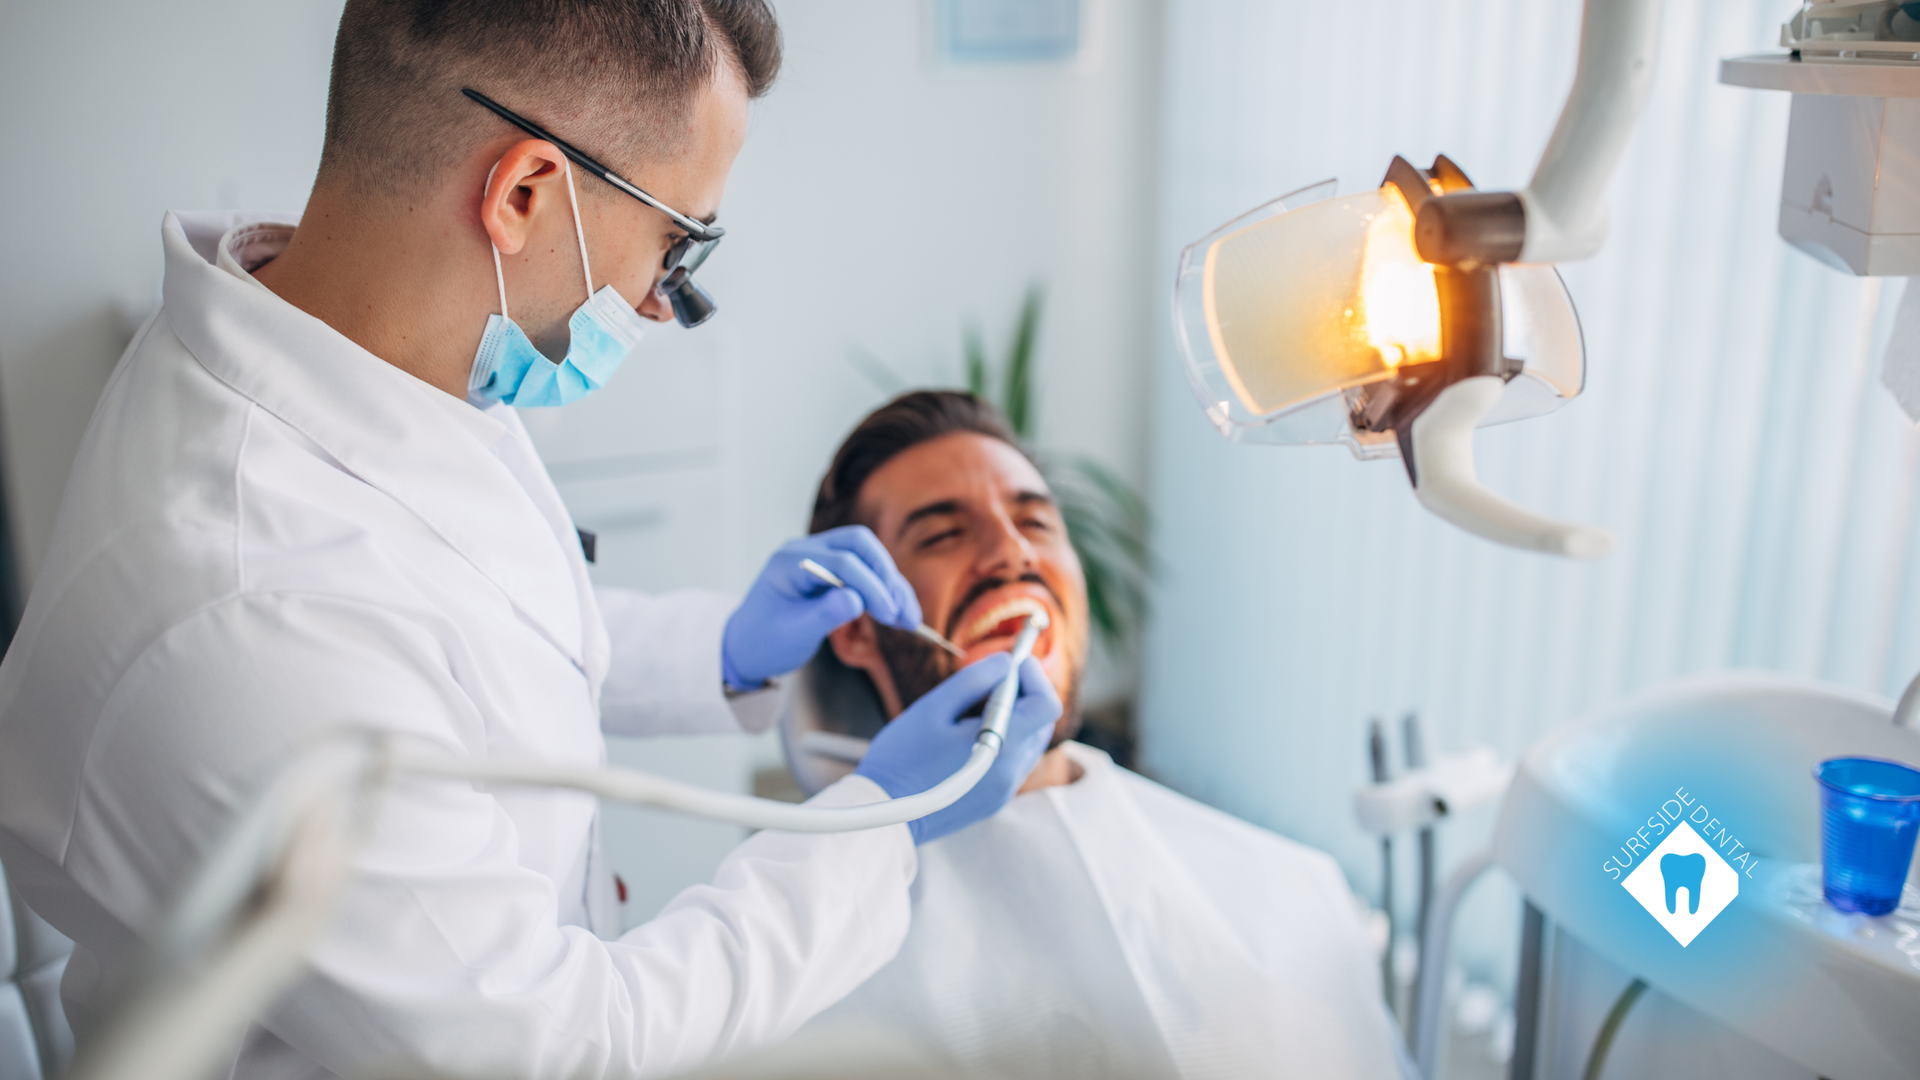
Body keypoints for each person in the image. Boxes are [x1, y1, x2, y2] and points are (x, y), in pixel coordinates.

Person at [0, 4, 1059, 1079]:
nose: (658, 303)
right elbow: (554, 1046)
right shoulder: (249, 606)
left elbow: (456, 646)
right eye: (677, 243)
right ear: (522, 195)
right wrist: (875, 826)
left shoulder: (353, 341)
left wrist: (721, 652)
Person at [780, 391, 1412, 1080]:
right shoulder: (804, 984)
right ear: (857, 629)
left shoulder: (1297, 891)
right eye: (941, 535)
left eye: (1036, 522)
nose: (1012, 552)